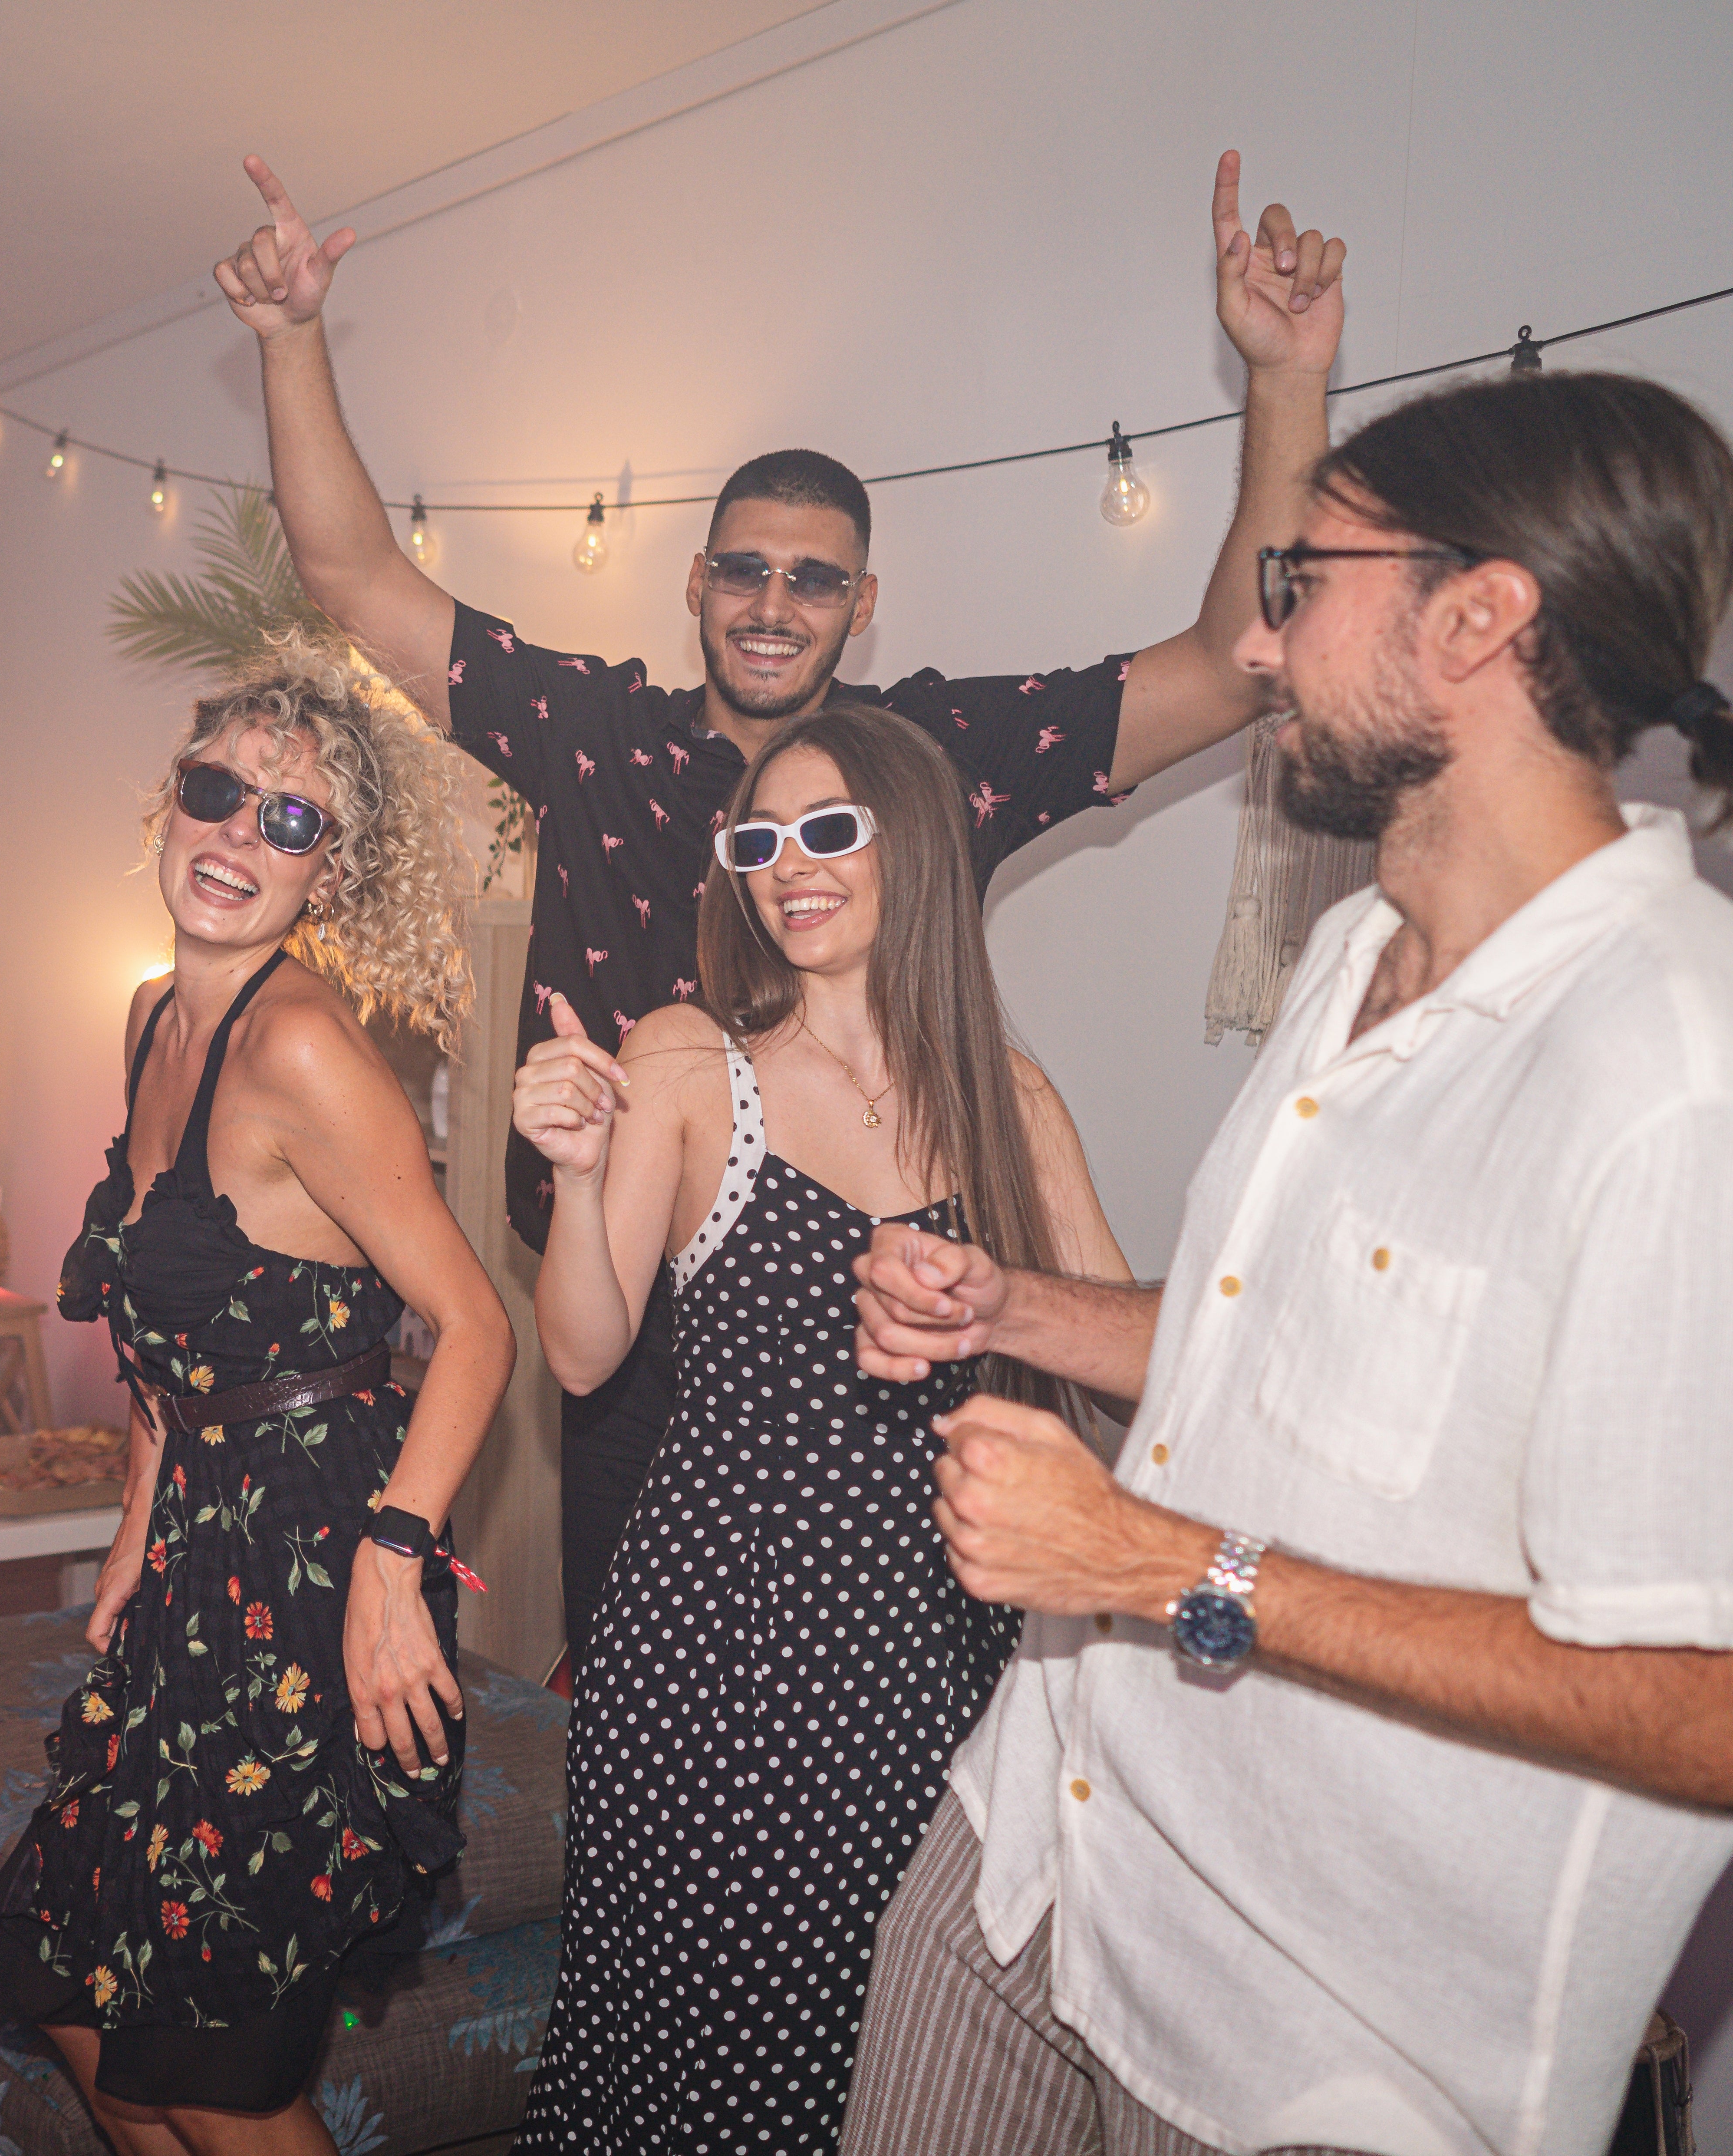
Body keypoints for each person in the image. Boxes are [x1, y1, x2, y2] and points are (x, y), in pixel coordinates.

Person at [214, 148, 1348, 1648]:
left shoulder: (934, 762)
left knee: (892, 1676)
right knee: (632, 1667)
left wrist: (1282, 383)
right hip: (620, 1310)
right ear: (694, 585)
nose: (771, 604)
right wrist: (294, 339)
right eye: (742, 572)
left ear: (862, 605)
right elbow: (353, 578)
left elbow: (1229, 663)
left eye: (813, 581)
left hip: (877, 1307)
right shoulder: (596, 734)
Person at [840, 368, 1733, 2154]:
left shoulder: (1673, 1077)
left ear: (1477, 616)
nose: (1253, 653)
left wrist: (1161, 1565)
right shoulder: (1346, 953)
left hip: (1325, 2042)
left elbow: (1699, 1704)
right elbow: (1289, 1347)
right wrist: (1012, 1312)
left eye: (1296, 583)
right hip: (1037, 1857)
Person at [509, 702, 1125, 2149]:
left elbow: (1122, 1366)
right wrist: (584, 1176)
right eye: (762, 839)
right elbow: (583, 1355)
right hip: (722, 1669)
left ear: (912, 848)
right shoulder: (687, 1058)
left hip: (940, 1668)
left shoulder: (1005, 1098)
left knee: (904, 2064)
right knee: (711, 2068)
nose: (793, 865)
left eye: (831, 829)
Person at [0, 651, 517, 2155]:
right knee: (82, 2001)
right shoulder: (148, 1019)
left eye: (291, 820)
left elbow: (471, 1326)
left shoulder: (301, 1044)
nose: (238, 837)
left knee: (208, 2074)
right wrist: (134, 1533)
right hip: (199, 1555)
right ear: (168, 801)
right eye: (216, 793)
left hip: (320, 1572)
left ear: (330, 872)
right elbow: (171, 1336)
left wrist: (394, 1571)